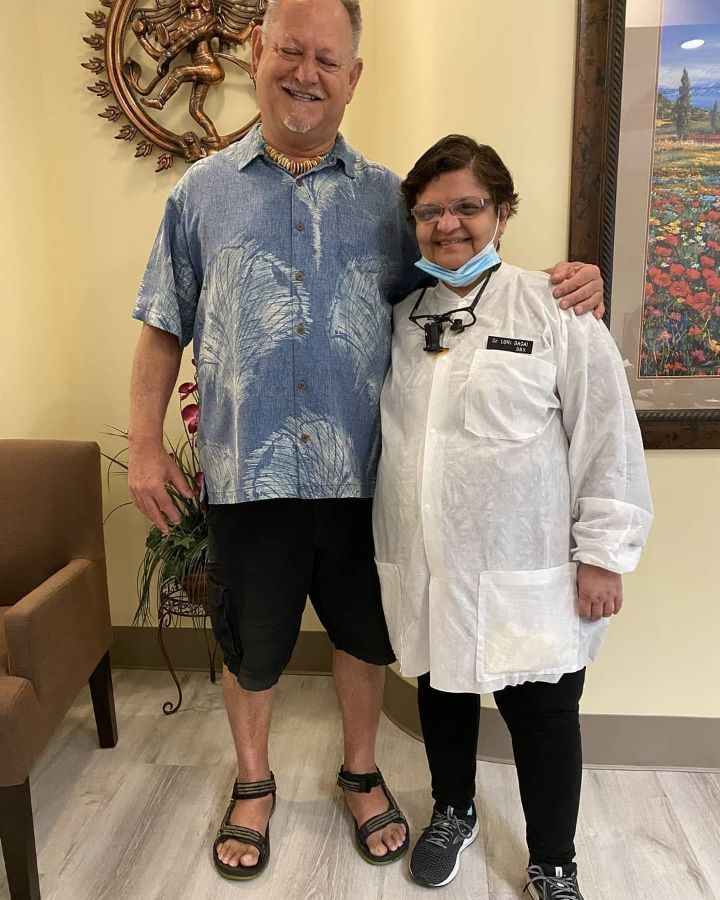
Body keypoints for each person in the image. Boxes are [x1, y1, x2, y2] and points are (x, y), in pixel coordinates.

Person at [128, 0, 605, 883]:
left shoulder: (391, 200)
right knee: (251, 646)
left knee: (364, 639)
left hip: (367, 481)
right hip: (248, 475)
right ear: (255, 52)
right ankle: (253, 782)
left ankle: (361, 772)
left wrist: (565, 283)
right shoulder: (200, 193)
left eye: (327, 57)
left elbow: (463, 281)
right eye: (290, 50)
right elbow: (163, 324)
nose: (306, 71)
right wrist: (146, 446)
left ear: (354, 77)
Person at [372, 134, 653, 899]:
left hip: (528, 566)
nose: (448, 224)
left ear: (502, 212)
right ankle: (453, 810)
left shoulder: (556, 306)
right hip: (431, 561)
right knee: (442, 692)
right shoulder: (400, 318)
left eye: (467, 206)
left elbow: (607, 437)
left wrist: (603, 554)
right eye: (430, 211)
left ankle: (554, 861)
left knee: (544, 714)